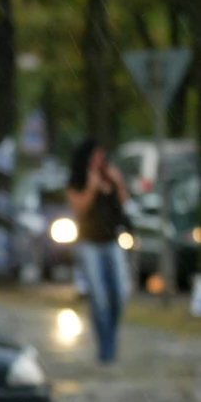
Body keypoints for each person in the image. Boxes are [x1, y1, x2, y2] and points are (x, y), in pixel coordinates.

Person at [66, 138, 130, 362]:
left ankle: (111, 340)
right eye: (94, 156)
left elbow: (123, 202)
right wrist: (92, 188)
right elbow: (79, 209)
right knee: (99, 297)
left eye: (101, 155)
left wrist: (118, 182)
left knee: (121, 293)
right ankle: (106, 349)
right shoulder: (78, 180)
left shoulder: (109, 175)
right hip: (90, 243)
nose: (98, 160)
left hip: (112, 241)